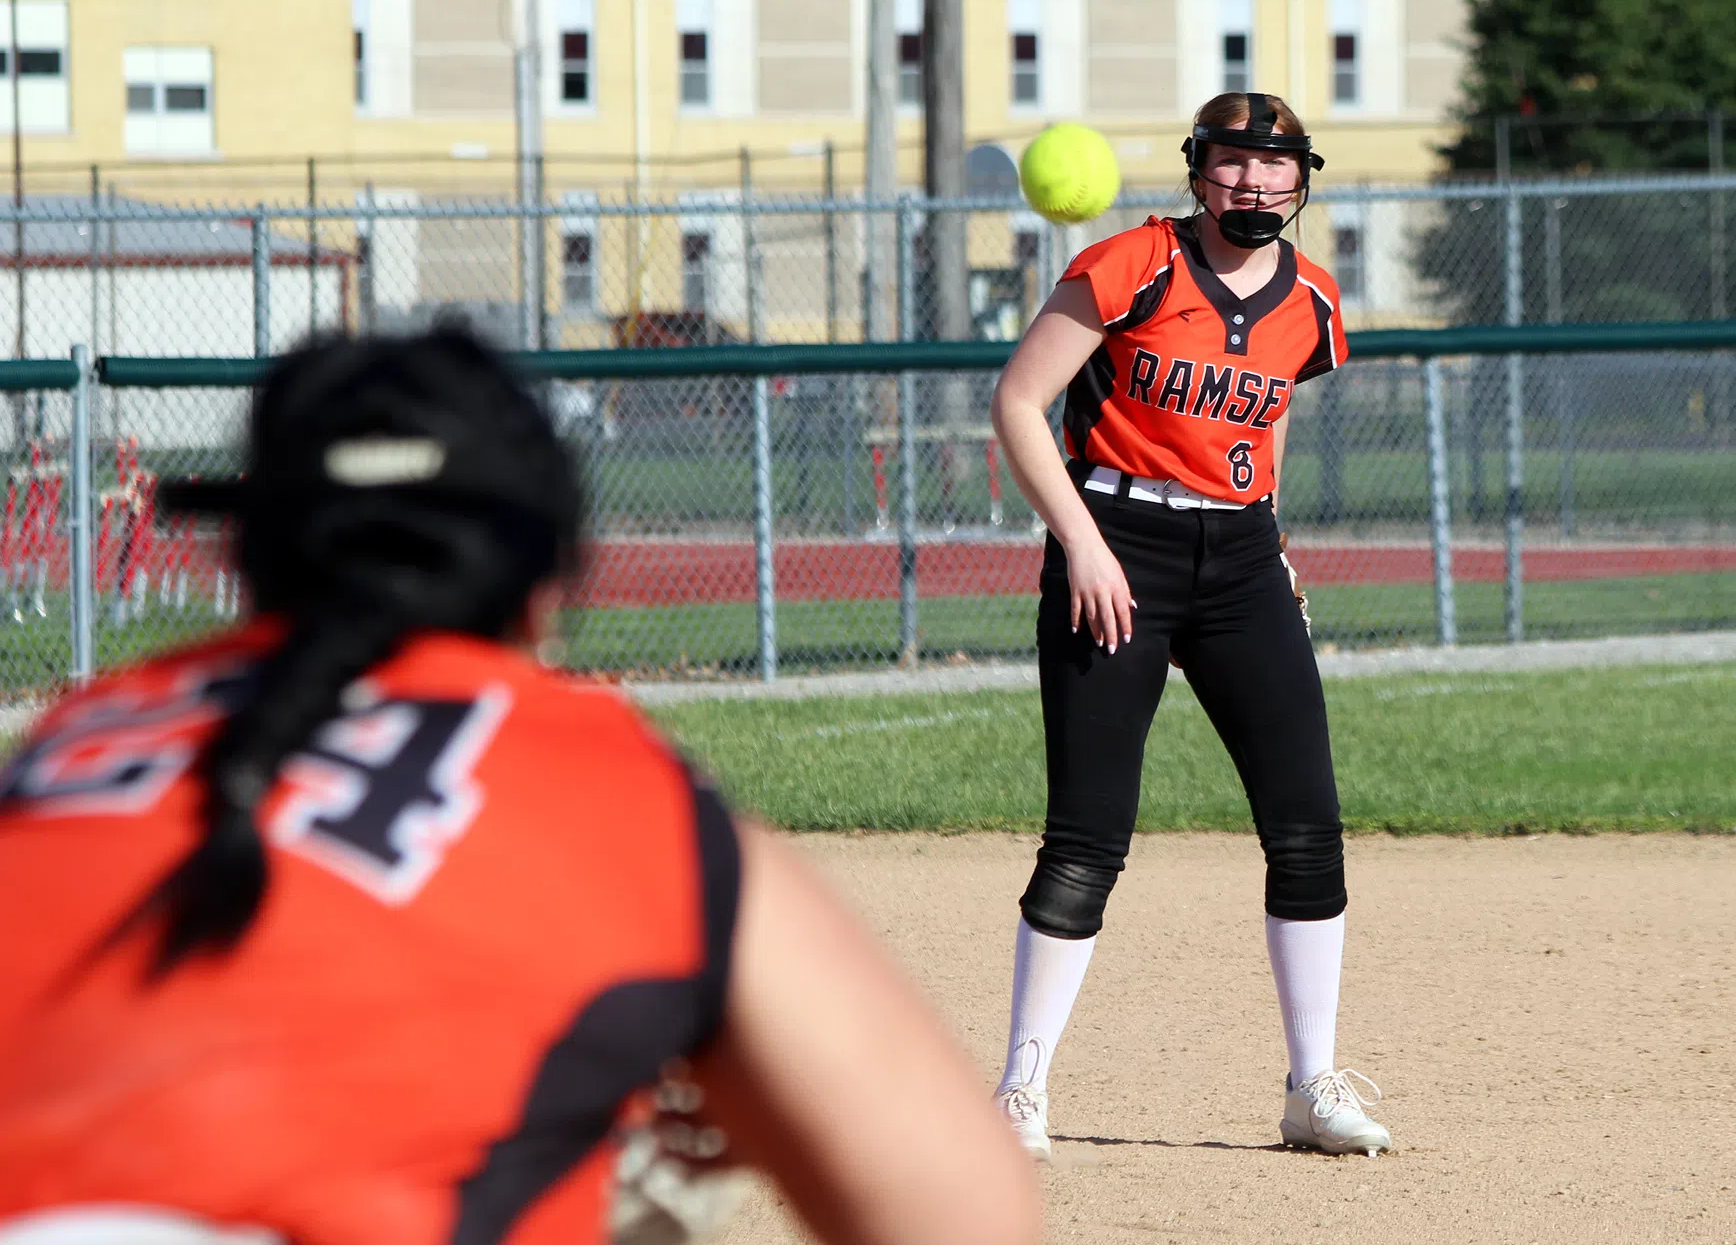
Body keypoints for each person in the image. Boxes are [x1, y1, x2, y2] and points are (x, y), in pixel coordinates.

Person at [0, 327, 1042, 1245]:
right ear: (546, 587)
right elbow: (966, 1216)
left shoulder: (66, 739)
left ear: (248, 560)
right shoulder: (604, 781)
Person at [985, 92, 1389, 1161]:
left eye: (1275, 165)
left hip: (1242, 559)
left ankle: (1312, 1087)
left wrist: (1276, 545)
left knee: (1306, 824)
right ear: (1198, 169)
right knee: (1088, 833)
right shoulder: (1133, 265)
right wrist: (1081, 545)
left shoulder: (1314, 298)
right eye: (1232, 161)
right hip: (1117, 542)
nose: (1253, 182)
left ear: (1301, 179)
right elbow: (1019, 402)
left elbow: (1268, 421)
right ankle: (1021, 1089)